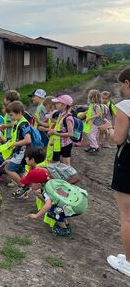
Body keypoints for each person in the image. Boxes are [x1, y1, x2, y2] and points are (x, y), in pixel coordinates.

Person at [100, 67, 130, 277]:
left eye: (121, 85)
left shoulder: (126, 106)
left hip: (128, 163)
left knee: (127, 216)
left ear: (127, 82)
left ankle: (128, 262)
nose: (120, 89)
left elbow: (118, 138)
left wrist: (109, 128)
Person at [22, 168, 76, 237]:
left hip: (75, 206)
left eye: (30, 184)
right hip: (75, 201)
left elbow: (48, 205)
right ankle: (66, 225)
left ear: (39, 184)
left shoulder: (47, 190)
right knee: (57, 206)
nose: (30, 186)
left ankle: (64, 230)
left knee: (52, 210)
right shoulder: (51, 182)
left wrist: (36, 215)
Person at [1, 101, 32, 192]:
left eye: (11, 115)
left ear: (19, 113)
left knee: (9, 169)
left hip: (21, 152)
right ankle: (25, 189)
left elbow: (28, 140)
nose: (10, 117)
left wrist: (14, 144)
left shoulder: (23, 124)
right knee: (20, 172)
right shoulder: (18, 122)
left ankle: (23, 187)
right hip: (19, 151)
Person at [49, 95, 75, 166]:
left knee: (66, 165)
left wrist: (56, 133)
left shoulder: (68, 117)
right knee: (57, 163)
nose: (55, 104)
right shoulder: (61, 114)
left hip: (66, 144)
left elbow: (71, 134)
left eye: (57, 103)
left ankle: (70, 177)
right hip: (58, 144)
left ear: (64, 105)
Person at [83, 89, 103, 153]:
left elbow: (98, 114)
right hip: (91, 122)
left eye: (90, 96)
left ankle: (95, 147)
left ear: (93, 97)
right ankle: (92, 146)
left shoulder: (96, 105)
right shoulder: (91, 105)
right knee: (89, 134)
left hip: (95, 122)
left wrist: (89, 118)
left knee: (91, 134)